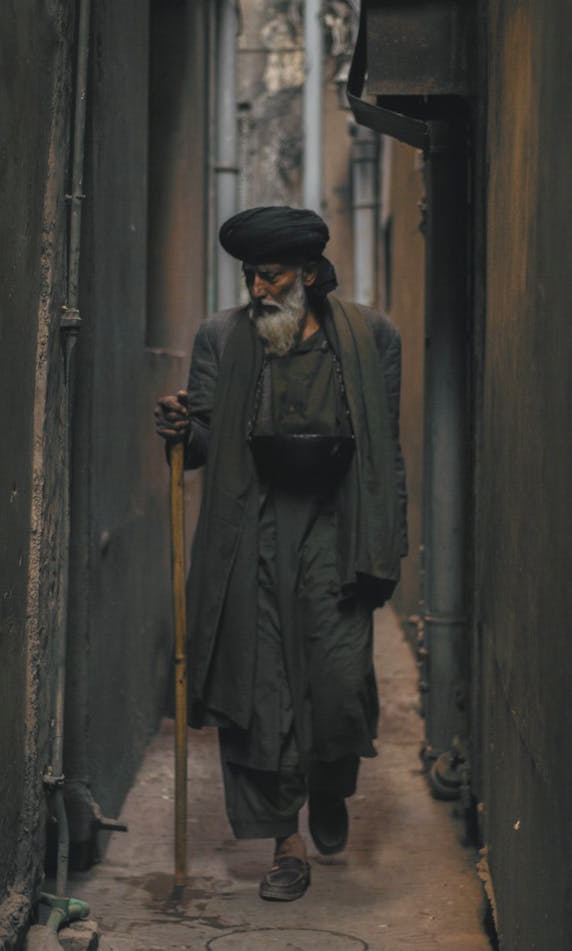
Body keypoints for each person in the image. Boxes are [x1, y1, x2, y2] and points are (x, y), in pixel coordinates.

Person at [155, 206, 407, 902]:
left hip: (335, 530)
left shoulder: (371, 337)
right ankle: (285, 842)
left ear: (307, 273)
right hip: (252, 535)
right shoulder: (220, 339)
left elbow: (384, 448)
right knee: (259, 695)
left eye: (270, 276)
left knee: (337, 684)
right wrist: (183, 427)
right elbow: (206, 442)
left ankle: (328, 788)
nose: (259, 290)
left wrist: (387, 543)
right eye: (250, 277)